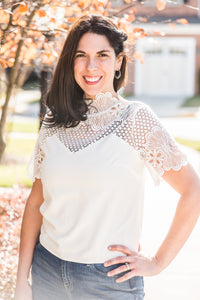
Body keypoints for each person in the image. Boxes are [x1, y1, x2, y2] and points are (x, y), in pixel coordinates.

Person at [14, 15, 200, 300]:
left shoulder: (135, 119)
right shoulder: (54, 121)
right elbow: (36, 202)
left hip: (107, 282)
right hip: (47, 271)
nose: (91, 66)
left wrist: (158, 262)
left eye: (102, 55)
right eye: (81, 55)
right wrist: (21, 279)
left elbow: (192, 190)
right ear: (70, 62)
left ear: (118, 61)